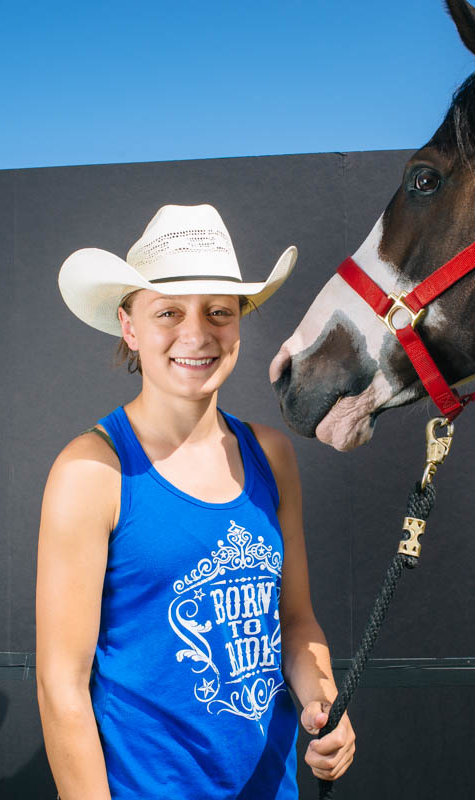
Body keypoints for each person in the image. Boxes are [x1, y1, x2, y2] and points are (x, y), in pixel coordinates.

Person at [36, 204, 355, 799]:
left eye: (218, 312)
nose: (197, 333)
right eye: (168, 313)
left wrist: (322, 702)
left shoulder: (271, 455)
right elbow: (62, 687)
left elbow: (296, 621)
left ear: (239, 322)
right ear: (129, 327)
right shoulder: (91, 471)